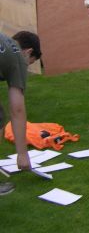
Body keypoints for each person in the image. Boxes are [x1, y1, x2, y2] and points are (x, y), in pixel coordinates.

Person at [0, 31, 41, 196]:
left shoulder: (4, 41)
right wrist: (22, 154)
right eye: (30, 63)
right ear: (28, 52)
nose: (26, 68)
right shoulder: (18, 57)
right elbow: (17, 109)